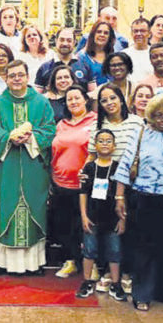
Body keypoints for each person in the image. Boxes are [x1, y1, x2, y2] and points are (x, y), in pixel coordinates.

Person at [115, 93, 163, 311]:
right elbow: (124, 167)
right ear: (151, 115)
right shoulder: (141, 135)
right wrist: (120, 197)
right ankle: (142, 295)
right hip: (143, 198)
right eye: (158, 115)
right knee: (142, 250)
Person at [0, 60, 55, 275]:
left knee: (33, 208)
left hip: (33, 165)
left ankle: (33, 262)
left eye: (20, 75)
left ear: (27, 76)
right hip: (5, 166)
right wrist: (8, 138)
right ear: (5, 77)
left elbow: (50, 129)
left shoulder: (41, 103)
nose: (16, 79)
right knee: (2, 210)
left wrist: (32, 138)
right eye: (11, 75)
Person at [50, 85, 96, 279]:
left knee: (86, 225)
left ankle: (90, 263)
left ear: (85, 99)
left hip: (85, 186)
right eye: (69, 99)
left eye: (77, 98)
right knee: (64, 224)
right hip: (60, 182)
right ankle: (70, 261)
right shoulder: (61, 124)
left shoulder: (94, 121)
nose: (74, 102)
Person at [76, 129, 127, 302]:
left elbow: (123, 195)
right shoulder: (89, 167)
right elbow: (83, 192)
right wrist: (83, 216)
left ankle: (115, 283)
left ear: (114, 146)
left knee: (115, 251)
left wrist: (122, 219)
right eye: (101, 140)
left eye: (108, 141)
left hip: (113, 217)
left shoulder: (119, 167)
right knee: (89, 250)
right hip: (92, 216)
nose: (104, 144)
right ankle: (87, 281)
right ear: (95, 145)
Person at [92, 84, 145, 162]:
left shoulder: (137, 122)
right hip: (104, 173)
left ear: (121, 100)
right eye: (104, 101)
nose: (109, 103)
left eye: (113, 98)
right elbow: (92, 156)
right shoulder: (96, 126)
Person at [34, 27, 95, 93]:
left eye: (69, 40)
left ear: (74, 43)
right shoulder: (44, 68)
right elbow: (36, 97)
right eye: (62, 40)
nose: (65, 44)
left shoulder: (85, 66)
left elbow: (93, 95)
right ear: (56, 41)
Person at [79, 21, 115, 86]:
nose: (102, 35)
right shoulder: (82, 57)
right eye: (99, 32)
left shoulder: (114, 57)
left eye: (106, 33)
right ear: (93, 34)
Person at [121, 18, 154, 82]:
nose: (139, 34)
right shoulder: (123, 54)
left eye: (142, 31)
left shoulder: (155, 53)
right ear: (131, 33)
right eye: (135, 31)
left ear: (149, 33)